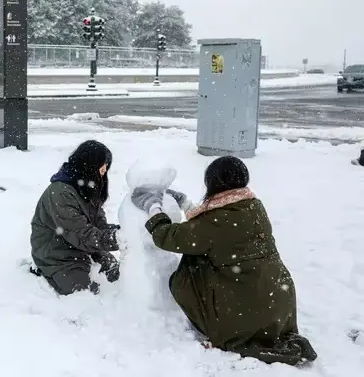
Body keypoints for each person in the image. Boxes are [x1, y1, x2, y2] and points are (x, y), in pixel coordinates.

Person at [132, 155, 318, 366]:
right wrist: (185, 203)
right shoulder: (253, 206)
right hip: (277, 307)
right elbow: (213, 228)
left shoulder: (215, 222)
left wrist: (153, 207)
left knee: (187, 270)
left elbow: (168, 236)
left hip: (244, 318)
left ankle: (219, 327)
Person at [30, 140, 120, 295]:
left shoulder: (87, 186)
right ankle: (42, 269)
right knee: (84, 293)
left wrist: (124, 232)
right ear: (88, 164)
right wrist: (116, 238)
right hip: (57, 253)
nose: (105, 169)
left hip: (81, 247)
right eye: (102, 164)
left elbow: (99, 223)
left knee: (115, 272)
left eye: (107, 164)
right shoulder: (61, 192)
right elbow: (81, 234)